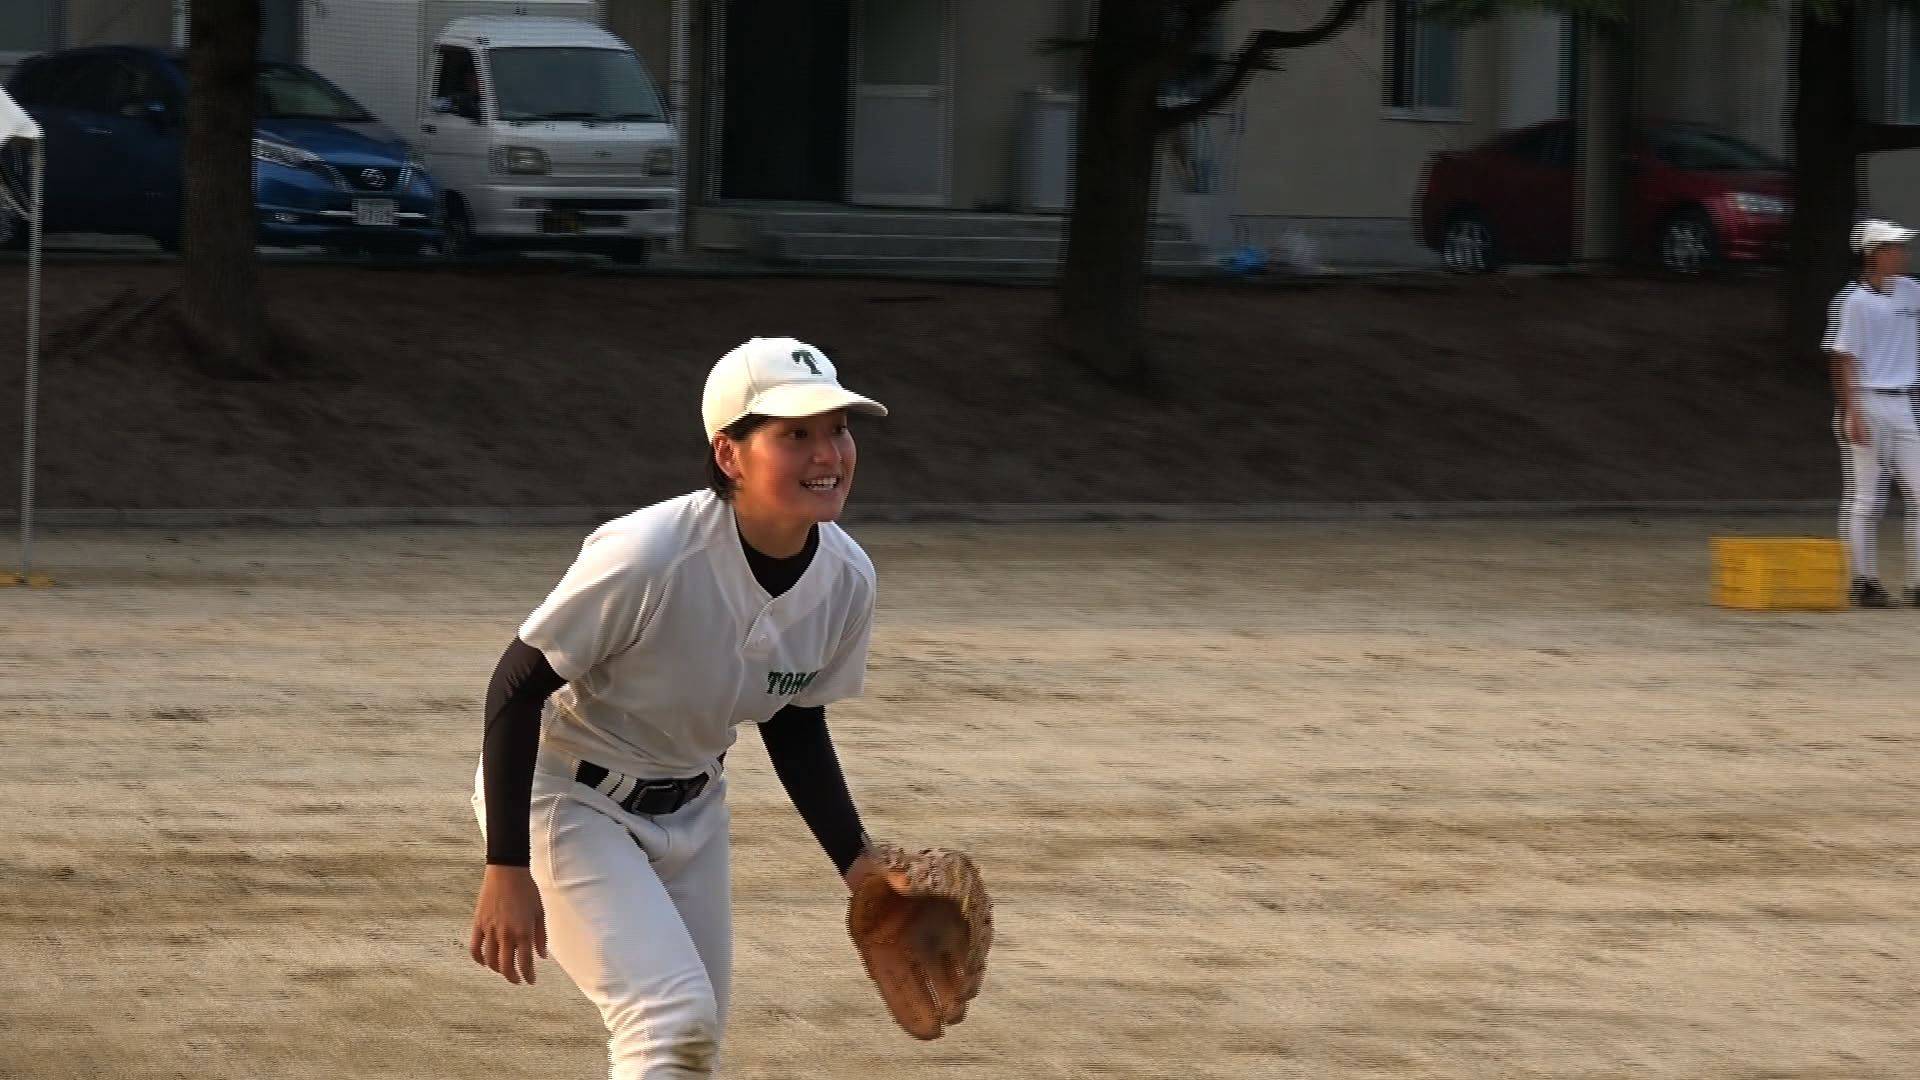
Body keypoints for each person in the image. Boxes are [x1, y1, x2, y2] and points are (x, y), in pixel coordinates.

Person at [466, 336, 895, 1078]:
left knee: (693, 1045)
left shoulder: (846, 577)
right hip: (567, 800)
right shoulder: (651, 554)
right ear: (730, 455)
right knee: (670, 1020)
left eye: (838, 428)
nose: (828, 453)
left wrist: (857, 862)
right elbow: (517, 684)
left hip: (694, 810)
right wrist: (507, 866)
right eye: (796, 434)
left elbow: (792, 721)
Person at [1825, 219, 1920, 608]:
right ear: (1875, 253)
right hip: (1866, 400)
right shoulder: (1853, 301)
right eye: (1896, 247)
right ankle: (1863, 580)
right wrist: (1852, 413)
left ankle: (1917, 582)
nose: (1905, 253)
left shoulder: (1912, 291)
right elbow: (1842, 358)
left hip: (1902, 402)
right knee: (1867, 497)